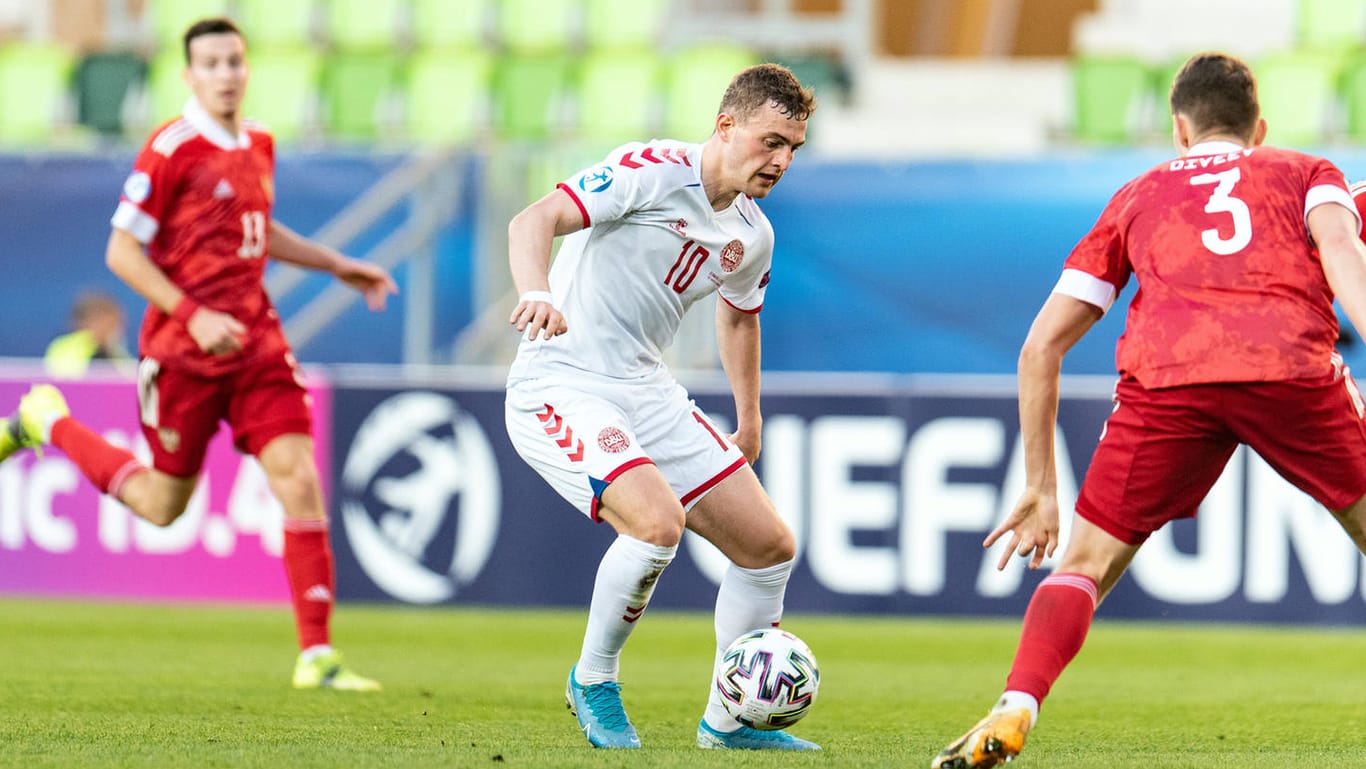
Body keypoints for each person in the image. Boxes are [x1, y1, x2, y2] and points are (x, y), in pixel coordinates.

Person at [931, 52, 1366, 769]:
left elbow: (1040, 346)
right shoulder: (1305, 171)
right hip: (1287, 365)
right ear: (1259, 126)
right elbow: (1344, 255)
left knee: (1084, 564)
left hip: (1170, 379)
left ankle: (1015, 704)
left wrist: (1041, 485)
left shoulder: (1137, 194)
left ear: (1180, 131)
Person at [0, 18, 397, 691]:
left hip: (256, 344)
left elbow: (254, 225)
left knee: (298, 478)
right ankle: (46, 420)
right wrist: (192, 312)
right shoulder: (170, 149)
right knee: (161, 505)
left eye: (235, 61)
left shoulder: (260, 142)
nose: (226, 74)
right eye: (211, 63)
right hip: (183, 353)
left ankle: (317, 657)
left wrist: (336, 264)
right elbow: (120, 252)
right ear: (188, 76)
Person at [503, 63, 819, 751]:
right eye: (771, 141)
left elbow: (739, 318)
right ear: (726, 125)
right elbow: (535, 217)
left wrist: (750, 415)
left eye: (793, 147)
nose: (781, 160)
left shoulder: (753, 234)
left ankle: (730, 723)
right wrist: (539, 293)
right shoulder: (650, 170)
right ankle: (593, 678)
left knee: (768, 548)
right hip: (562, 380)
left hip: (647, 390)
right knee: (655, 523)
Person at [44, 290, 135, 378]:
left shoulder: (115, 350)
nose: (118, 329)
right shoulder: (65, 347)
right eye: (112, 323)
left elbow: (130, 378)